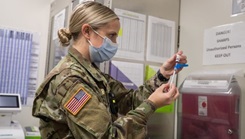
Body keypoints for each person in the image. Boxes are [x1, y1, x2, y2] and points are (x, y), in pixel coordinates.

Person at [32, 1, 187, 139]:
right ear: (87, 32)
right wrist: (152, 104)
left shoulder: (91, 74)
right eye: (111, 35)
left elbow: (130, 102)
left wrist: (162, 75)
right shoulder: (71, 81)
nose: (115, 43)